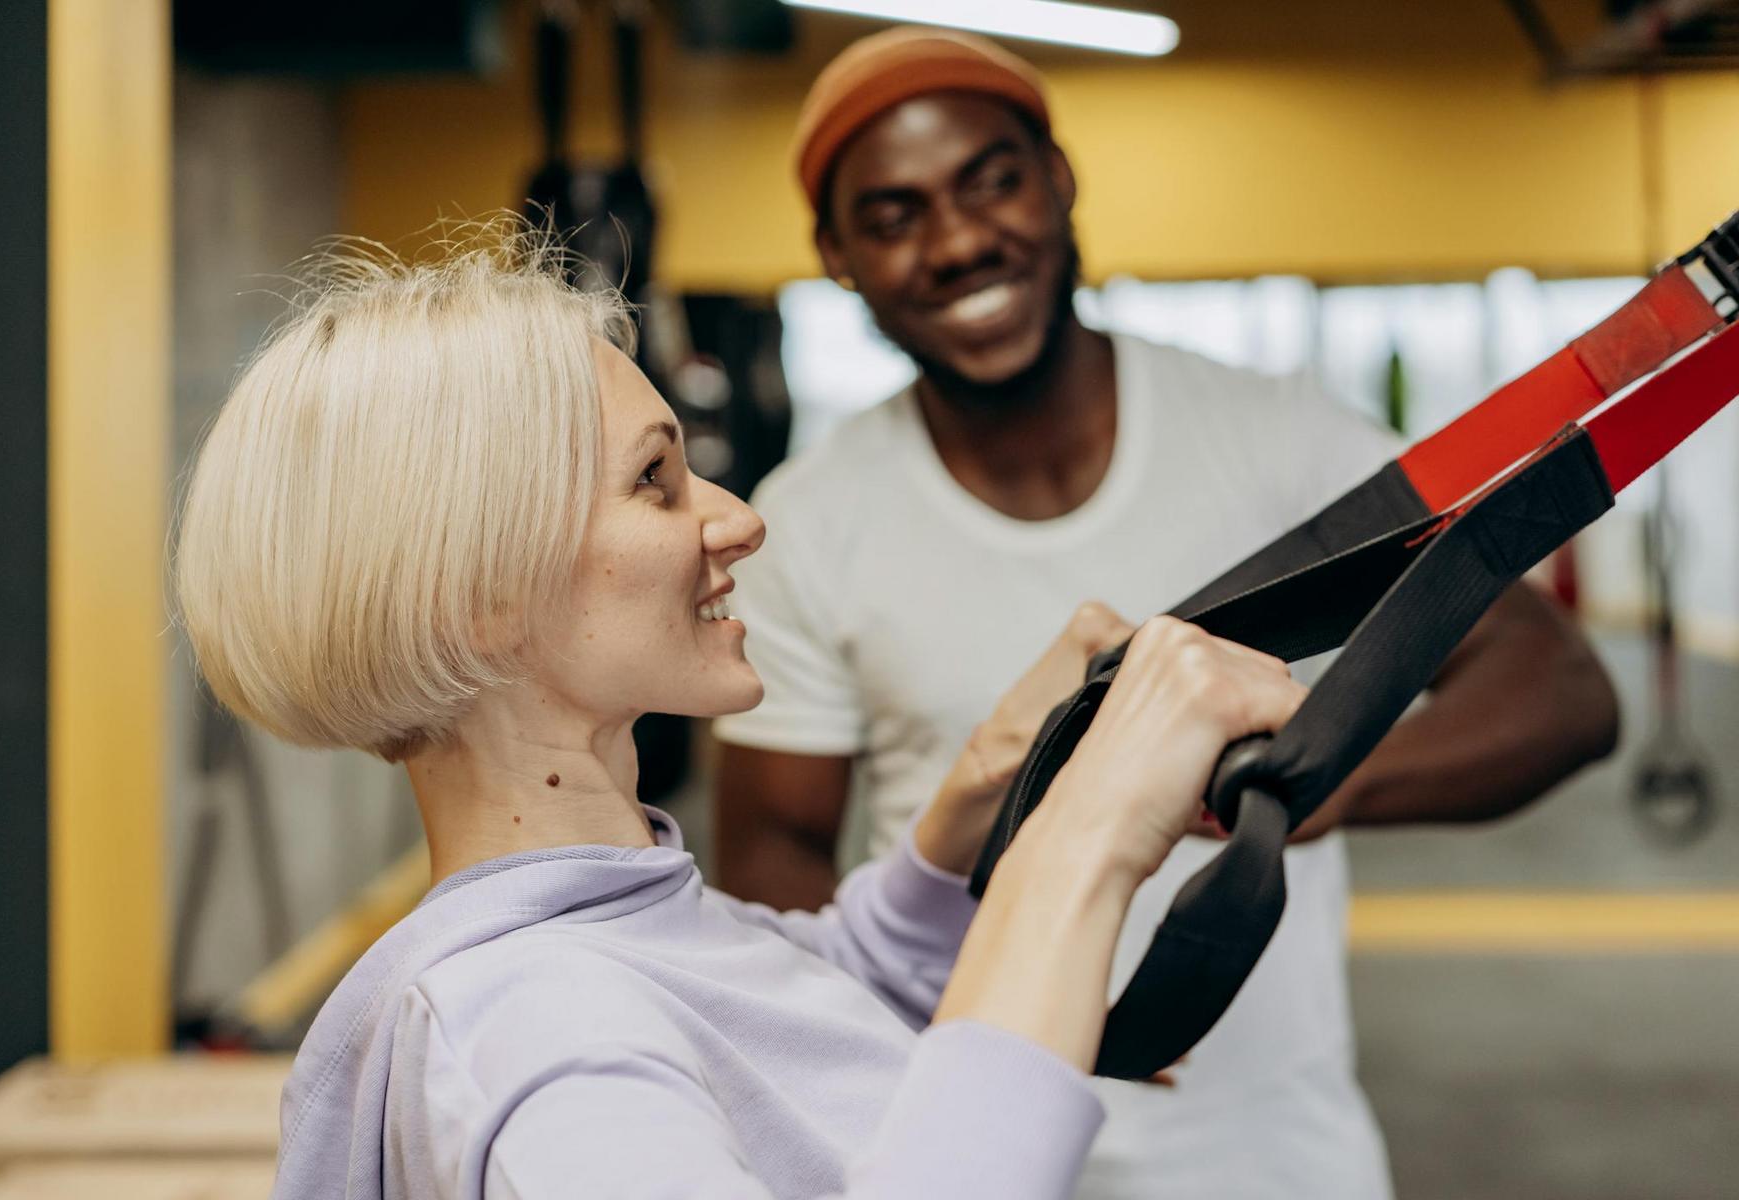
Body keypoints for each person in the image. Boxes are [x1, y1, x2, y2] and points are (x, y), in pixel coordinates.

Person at [173, 226, 1321, 1199]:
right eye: (654, 481)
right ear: (481, 596)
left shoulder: (624, 929)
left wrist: (995, 776)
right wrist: (1086, 844)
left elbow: (796, 1003)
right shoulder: (542, 1035)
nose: (735, 519)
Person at [712, 26, 1620, 1199]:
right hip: (970, 1149)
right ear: (837, 257)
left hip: (1278, 1159)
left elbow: (1559, 689)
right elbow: (773, 866)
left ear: (1059, 179)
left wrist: (1314, 782)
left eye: (993, 181)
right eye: (892, 217)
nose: (959, 241)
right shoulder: (809, 523)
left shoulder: (1283, 441)